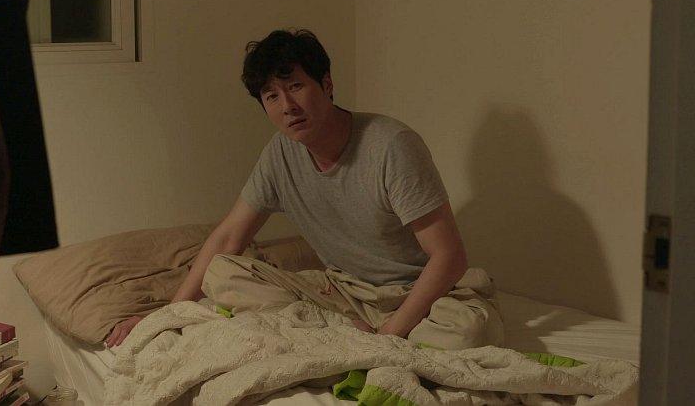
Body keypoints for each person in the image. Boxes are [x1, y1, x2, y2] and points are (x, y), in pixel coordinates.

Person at [106, 29, 503, 350]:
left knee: (469, 332)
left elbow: (449, 257)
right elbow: (228, 237)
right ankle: (339, 331)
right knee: (222, 272)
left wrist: (389, 336)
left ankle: (340, 337)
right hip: (345, 294)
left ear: (326, 84)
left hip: (420, 294)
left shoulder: (391, 145)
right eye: (271, 96)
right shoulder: (281, 154)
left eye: (295, 86)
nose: (287, 106)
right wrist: (165, 317)